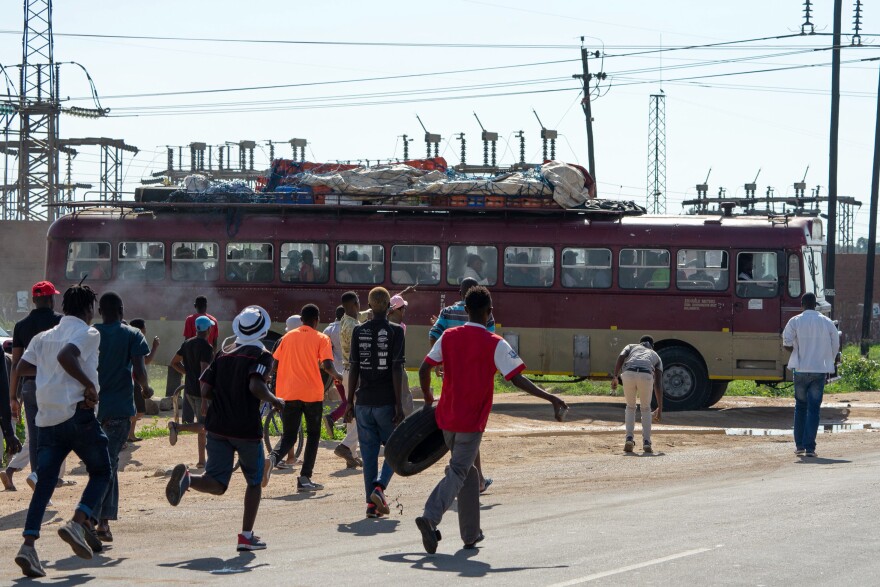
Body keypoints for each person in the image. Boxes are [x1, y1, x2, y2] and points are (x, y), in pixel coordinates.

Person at [415, 285, 568, 553]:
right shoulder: (494, 342)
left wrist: (428, 396)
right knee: (460, 470)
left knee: (469, 474)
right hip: (471, 421)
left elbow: (425, 367)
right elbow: (518, 379)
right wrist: (552, 398)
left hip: (446, 418)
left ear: (465, 309)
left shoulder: (448, 336)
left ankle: (471, 535)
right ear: (489, 313)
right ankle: (430, 518)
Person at [165, 305, 283, 552]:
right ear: (262, 331)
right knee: (254, 481)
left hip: (217, 427)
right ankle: (247, 536)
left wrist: (224, 396)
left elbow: (205, 388)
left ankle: (188, 479)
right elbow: (255, 385)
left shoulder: (224, 353)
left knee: (217, 483)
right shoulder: (262, 355)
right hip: (246, 428)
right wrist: (275, 400)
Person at [13, 285, 111, 578]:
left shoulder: (43, 337)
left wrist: (50, 375)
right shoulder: (89, 332)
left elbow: (21, 367)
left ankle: (28, 546)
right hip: (78, 414)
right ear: (88, 310)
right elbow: (68, 356)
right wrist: (89, 385)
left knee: (45, 483)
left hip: (47, 419)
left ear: (64, 307)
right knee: (102, 470)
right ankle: (78, 521)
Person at [92, 292, 153, 542]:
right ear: (121, 309)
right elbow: (139, 369)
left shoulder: (91, 333)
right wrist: (146, 388)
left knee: (106, 464)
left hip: (91, 407)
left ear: (100, 311)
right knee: (108, 465)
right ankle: (93, 518)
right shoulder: (133, 334)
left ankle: (102, 522)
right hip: (119, 409)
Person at [266, 304, 342, 491]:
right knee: (314, 434)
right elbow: (326, 365)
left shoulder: (287, 337)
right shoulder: (321, 338)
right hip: (312, 394)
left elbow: (274, 365)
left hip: (288, 393)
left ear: (301, 319)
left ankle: (272, 459)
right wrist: (338, 376)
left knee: (290, 436)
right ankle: (305, 478)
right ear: (316, 320)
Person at [344, 287, 405, 518]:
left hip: (363, 403)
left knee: (368, 456)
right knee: (395, 450)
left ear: (370, 306)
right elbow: (397, 368)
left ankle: (371, 506)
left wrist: (349, 402)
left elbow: (355, 367)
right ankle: (379, 488)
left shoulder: (359, 331)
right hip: (385, 402)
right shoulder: (396, 332)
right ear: (389, 307)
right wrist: (399, 405)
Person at [429, 277, 495, 492]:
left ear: (460, 293)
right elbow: (491, 337)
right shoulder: (486, 312)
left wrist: (438, 360)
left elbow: (433, 334)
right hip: (476, 379)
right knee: (471, 429)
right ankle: (472, 478)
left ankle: (468, 476)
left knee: (456, 426)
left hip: (452, 377)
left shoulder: (447, 312)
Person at [4, 281, 64, 493]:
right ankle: (41, 477)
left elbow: (16, 367)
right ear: (51, 299)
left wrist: (13, 397)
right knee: (58, 435)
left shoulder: (21, 326)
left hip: (29, 388)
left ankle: (39, 478)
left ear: (33, 300)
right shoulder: (61, 322)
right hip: (55, 387)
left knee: (36, 437)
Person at [782, 293, 840, 458]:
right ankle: (810, 448)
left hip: (800, 370)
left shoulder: (795, 321)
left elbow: (786, 342)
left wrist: (795, 352)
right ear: (816, 305)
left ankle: (799, 446)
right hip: (818, 371)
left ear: (802, 304)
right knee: (814, 409)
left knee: (800, 406)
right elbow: (835, 344)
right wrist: (829, 359)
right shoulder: (827, 322)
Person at [168, 316, 216, 468]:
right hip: (201, 391)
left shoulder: (187, 343)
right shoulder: (207, 348)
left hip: (189, 389)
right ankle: (178, 427)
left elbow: (174, 362)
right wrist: (204, 399)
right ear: (208, 329)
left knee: (202, 425)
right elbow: (203, 373)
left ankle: (202, 461)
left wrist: (187, 373)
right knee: (205, 426)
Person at [610, 335, 664, 453]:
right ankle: (646, 442)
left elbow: (621, 356)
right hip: (646, 375)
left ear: (640, 343)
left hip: (628, 373)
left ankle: (629, 439)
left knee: (630, 407)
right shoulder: (655, 355)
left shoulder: (631, 346)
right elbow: (658, 385)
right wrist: (660, 408)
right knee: (645, 409)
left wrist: (615, 376)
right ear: (652, 346)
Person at [332, 291, 362, 468]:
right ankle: (345, 446)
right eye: (358, 303)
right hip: (354, 371)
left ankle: (352, 453)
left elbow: (362, 314)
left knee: (353, 413)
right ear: (353, 305)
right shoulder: (353, 327)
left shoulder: (345, 319)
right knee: (364, 414)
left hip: (346, 370)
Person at [127, 318, 159, 443]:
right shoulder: (137, 339)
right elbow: (146, 360)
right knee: (139, 411)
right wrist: (155, 347)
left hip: (134, 379)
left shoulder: (129, 338)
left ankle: (130, 435)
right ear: (140, 329)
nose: (146, 330)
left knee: (135, 409)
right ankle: (124, 434)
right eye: (144, 327)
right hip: (135, 379)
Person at [322, 306, 349, 436]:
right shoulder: (350, 327)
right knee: (351, 402)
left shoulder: (328, 330)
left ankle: (346, 425)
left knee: (346, 400)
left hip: (335, 373)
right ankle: (332, 417)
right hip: (348, 372)